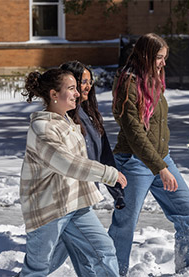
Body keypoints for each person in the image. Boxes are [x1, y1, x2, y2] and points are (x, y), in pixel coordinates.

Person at [108, 33, 189, 275]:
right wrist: (160, 168)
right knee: (125, 224)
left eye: (164, 58)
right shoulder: (128, 83)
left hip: (161, 158)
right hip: (133, 162)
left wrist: (162, 163)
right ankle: (111, 272)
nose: (163, 63)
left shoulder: (152, 81)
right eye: (159, 58)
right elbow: (135, 133)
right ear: (146, 56)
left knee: (187, 210)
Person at [18, 68, 127, 277]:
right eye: (71, 88)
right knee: (38, 269)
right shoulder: (42, 128)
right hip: (48, 209)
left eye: (76, 88)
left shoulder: (67, 121)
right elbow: (67, 163)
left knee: (103, 250)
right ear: (53, 94)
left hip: (75, 203)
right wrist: (108, 173)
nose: (77, 93)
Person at [61, 60, 126, 210]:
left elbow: (104, 155)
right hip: (66, 197)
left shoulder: (89, 116)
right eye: (83, 82)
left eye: (90, 82)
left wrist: (117, 191)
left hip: (87, 194)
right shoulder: (61, 118)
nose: (88, 86)